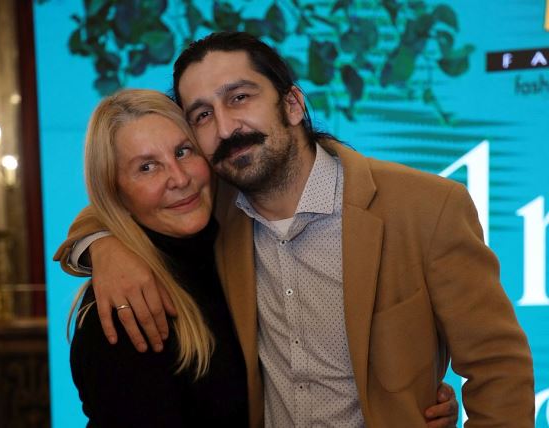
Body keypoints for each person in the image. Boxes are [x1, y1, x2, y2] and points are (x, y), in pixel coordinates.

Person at [55, 32, 534, 427]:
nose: (226, 127)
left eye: (239, 98)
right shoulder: (214, 210)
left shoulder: (424, 207)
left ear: (291, 103)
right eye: (202, 115)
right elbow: (114, 205)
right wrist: (104, 246)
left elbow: (499, 368)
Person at [67, 89, 249, 426]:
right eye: (147, 167)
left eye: (183, 151)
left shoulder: (231, 239)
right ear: (115, 193)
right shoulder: (127, 311)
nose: (179, 178)